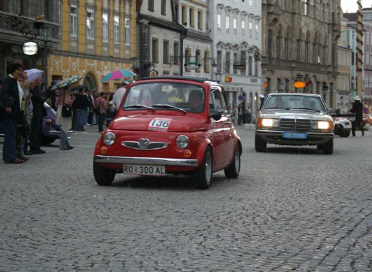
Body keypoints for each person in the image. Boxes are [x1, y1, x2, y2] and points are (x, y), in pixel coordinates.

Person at [0, 63, 25, 164]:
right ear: (13, 71)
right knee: (10, 136)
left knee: (10, 135)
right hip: (9, 112)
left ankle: (8, 156)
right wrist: (7, 106)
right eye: (18, 70)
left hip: (14, 112)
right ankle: (10, 157)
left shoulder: (15, 81)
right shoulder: (8, 81)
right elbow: (4, 94)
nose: (20, 72)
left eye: (21, 70)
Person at [29, 77, 46, 154]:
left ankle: (37, 146)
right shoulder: (33, 89)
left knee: (39, 130)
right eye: (39, 80)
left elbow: (43, 97)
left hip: (40, 111)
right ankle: (33, 146)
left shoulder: (38, 89)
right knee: (35, 130)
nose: (40, 81)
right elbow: (40, 98)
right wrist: (42, 97)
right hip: (35, 111)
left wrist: (42, 97)